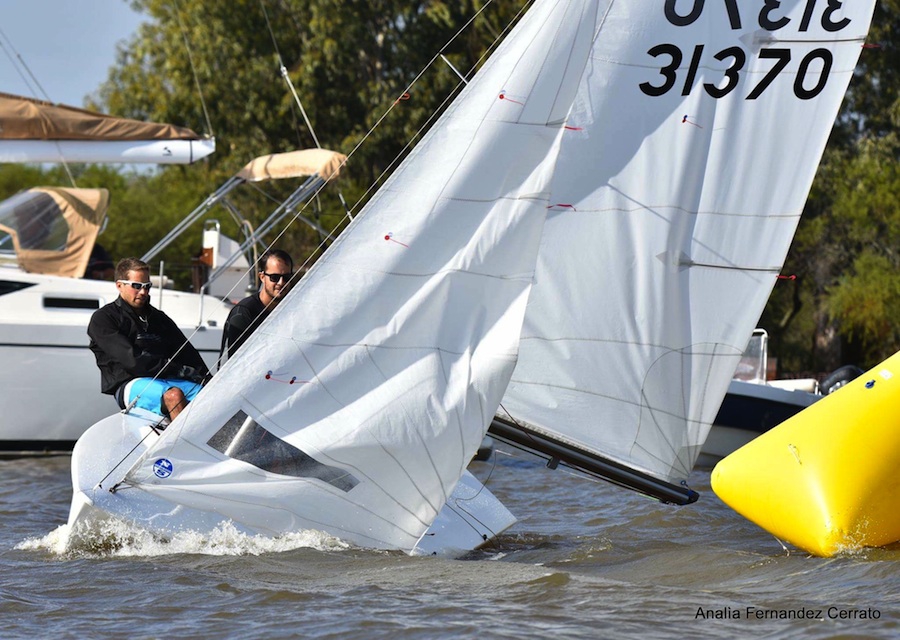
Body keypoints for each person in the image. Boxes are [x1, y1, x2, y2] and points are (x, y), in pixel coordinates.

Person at [88, 257, 209, 421]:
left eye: (147, 286)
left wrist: (208, 379)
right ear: (119, 285)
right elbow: (132, 360)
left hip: (169, 379)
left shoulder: (159, 318)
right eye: (136, 286)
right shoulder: (104, 318)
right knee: (174, 396)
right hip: (130, 383)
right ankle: (182, 446)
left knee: (210, 396)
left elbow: (187, 353)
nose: (143, 292)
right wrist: (175, 369)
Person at [219, 249, 294, 362]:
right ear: (262, 277)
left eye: (287, 278)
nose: (281, 283)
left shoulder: (292, 310)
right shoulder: (243, 313)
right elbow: (230, 365)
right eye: (274, 277)